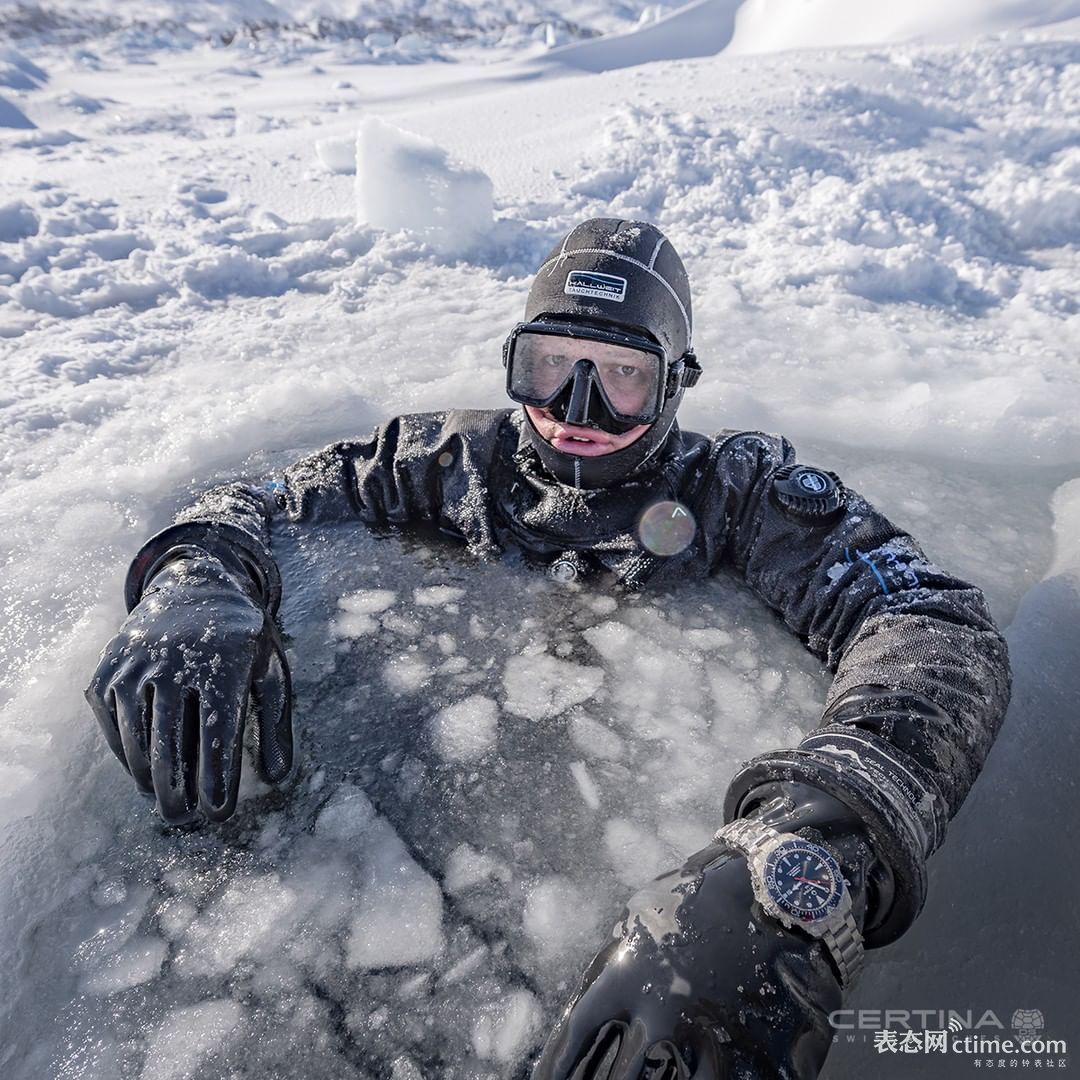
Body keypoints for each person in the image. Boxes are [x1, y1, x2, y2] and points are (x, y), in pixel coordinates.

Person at [85, 218, 1011, 1079]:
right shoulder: (449, 464)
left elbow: (932, 623)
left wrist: (810, 851)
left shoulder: (740, 494)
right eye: (550, 366)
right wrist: (198, 582)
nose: (576, 408)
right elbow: (258, 502)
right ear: (510, 364)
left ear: (677, 382)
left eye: (622, 379)